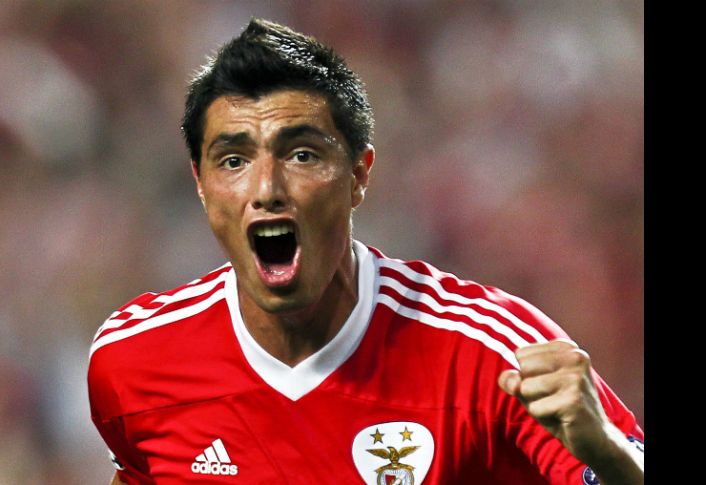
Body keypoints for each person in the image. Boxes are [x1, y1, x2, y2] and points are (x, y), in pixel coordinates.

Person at [87, 18, 643, 485]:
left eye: (302, 155)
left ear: (358, 175)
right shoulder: (133, 359)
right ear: (201, 184)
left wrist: (608, 453)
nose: (266, 189)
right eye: (233, 161)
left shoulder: (493, 355)